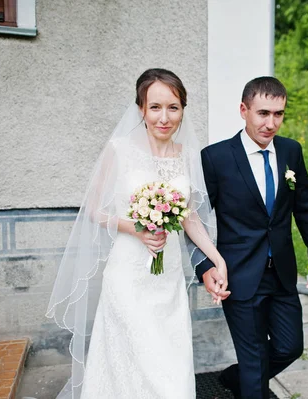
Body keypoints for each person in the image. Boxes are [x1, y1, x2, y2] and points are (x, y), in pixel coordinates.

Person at [46, 68, 229, 398]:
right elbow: (95, 211)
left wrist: (217, 259)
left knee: (169, 363)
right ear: (141, 109)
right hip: (129, 275)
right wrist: (136, 227)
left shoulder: (188, 157)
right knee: (135, 361)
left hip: (167, 275)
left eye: (173, 107)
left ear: (183, 110)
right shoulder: (119, 150)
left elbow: (189, 218)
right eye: (155, 107)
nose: (164, 117)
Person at [197, 76, 308, 399]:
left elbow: (306, 209)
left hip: (281, 272)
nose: (271, 123)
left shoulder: (290, 151)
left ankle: (235, 376)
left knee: (290, 347)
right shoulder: (215, 157)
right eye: (263, 113)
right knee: (255, 362)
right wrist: (205, 266)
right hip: (239, 274)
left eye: (279, 114)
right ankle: (248, 379)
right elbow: (195, 219)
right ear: (244, 110)